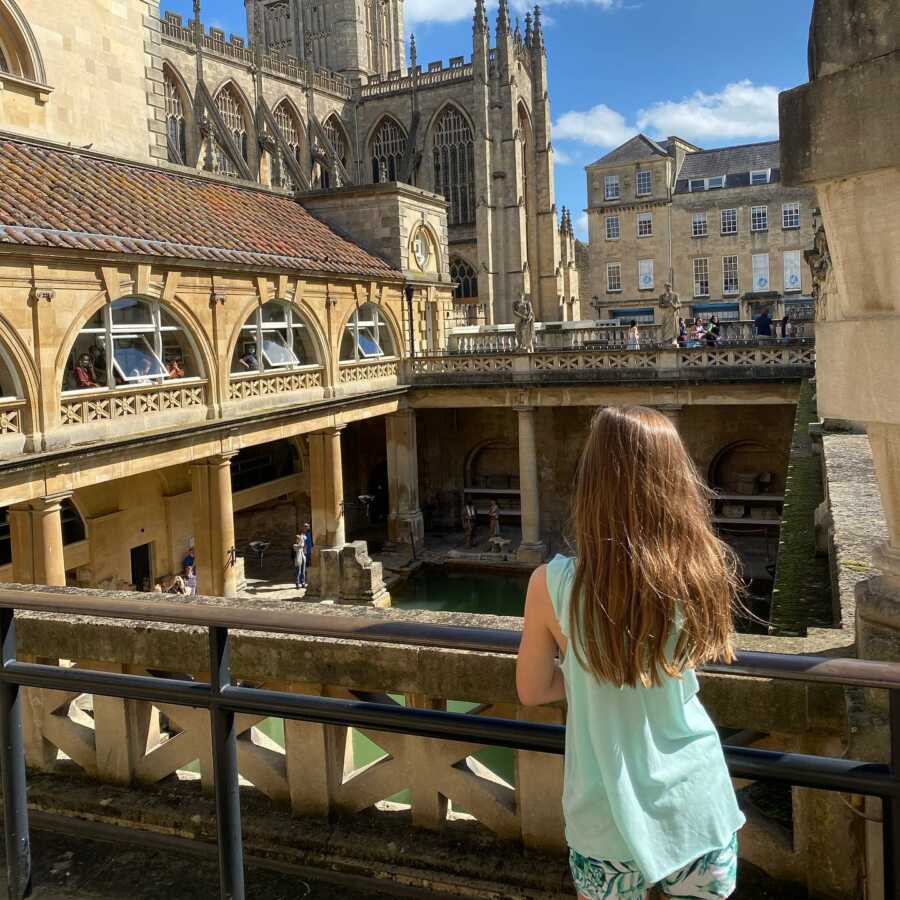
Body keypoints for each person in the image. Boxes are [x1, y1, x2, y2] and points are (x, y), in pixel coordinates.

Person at [516, 406, 744, 900]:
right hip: (696, 800)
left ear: (592, 483)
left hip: (605, 812)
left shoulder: (551, 584)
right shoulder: (702, 571)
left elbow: (532, 691)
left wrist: (582, 676)